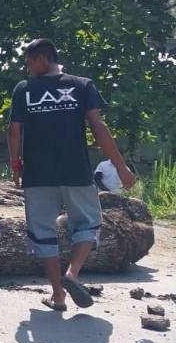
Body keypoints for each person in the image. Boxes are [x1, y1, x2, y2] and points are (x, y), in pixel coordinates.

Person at [9, 38, 136, 312]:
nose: (27, 68)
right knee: (88, 224)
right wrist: (121, 167)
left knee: (43, 233)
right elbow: (98, 127)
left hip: (38, 174)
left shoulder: (25, 90)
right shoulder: (81, 85)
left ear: (42, 59)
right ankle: (73, 274)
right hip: (76, 171)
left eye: (28, 62)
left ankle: (58, 295)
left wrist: (15, 165)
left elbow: (14, 130)